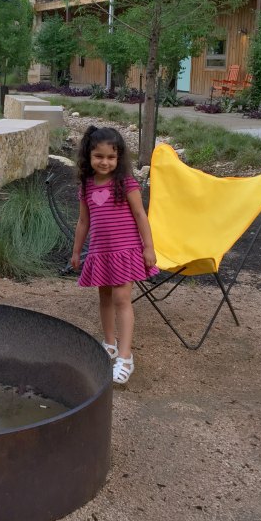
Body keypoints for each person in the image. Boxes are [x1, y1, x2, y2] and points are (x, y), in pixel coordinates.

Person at [70, 125, 158, 385]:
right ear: (89, 157)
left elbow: (141, 215)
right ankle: (109, 343)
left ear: (118, 158)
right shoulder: (86, 186)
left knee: (122, 299)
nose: (105, 162)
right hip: (101, 252)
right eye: (99, 156)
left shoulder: (125, 183)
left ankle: (126, 356)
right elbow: (83, 221)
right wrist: (77, 251)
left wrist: (148, 246)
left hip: (125, 251)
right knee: (105, 298)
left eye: (111, 157)